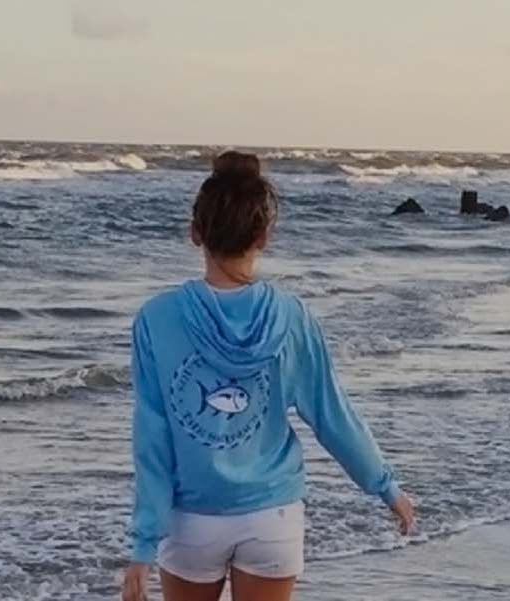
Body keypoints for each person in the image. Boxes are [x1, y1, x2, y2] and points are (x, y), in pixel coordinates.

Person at [121, 151, 416, 601]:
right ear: (264, 235)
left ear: (194, 232)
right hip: (272, 519)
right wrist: (385, 486)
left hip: (191, 523)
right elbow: (333, 416)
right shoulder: (291, 317)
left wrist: (143, 545)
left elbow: (152, 440)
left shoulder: (156, 319)